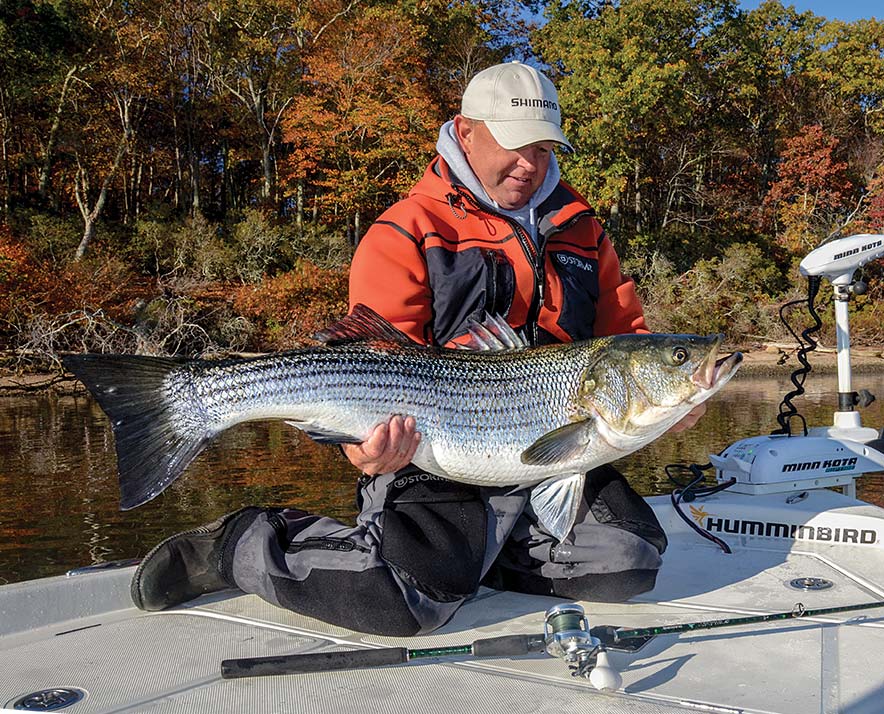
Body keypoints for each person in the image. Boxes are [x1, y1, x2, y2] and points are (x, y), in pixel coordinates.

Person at [130, 62, 706, 636]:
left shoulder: (585, 232)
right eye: (513, 144)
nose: (529, 164)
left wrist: (675, 392)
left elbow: (630, 340)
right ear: (466, 131)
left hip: (550, 447)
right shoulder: (407, 228)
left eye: (544, 147)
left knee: (627, 561)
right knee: (402, 602)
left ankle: (481, 549)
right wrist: (364, 452)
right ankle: (236, 544)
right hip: (433, 453)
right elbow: (366, 361)